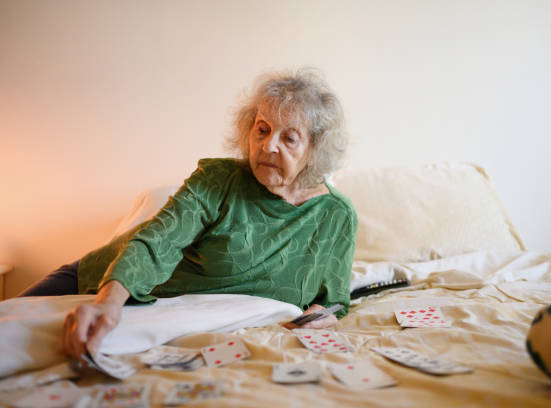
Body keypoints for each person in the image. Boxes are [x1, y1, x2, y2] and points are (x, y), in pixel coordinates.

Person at [19, 68, 358, 363]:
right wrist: (108, 303)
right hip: (103, 282)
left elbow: (334, 300)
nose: (269, 146)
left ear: (315, 149)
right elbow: (157, 242)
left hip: (175, 323)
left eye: (290, 138)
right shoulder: (217, 180)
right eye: (262, 129)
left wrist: (322, 317)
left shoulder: (336, 216)